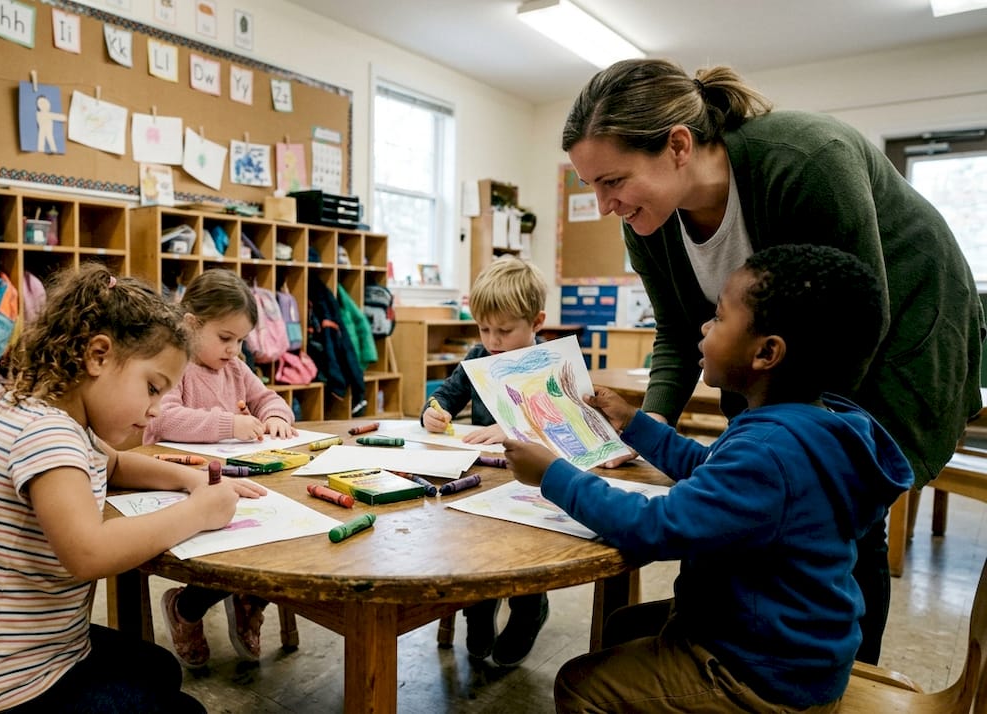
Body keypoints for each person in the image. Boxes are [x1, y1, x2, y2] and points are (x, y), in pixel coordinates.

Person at [561, 58, 983, 664]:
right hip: (796, 356)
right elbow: (679, 334)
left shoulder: (806, 161)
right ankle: (750, 658)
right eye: (590, 186)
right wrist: (645, 430)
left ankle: (836, 680)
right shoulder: (646, 221)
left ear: (678, 145)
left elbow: (849, 327)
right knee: (762, 504)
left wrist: (796, 449)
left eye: (613, 180)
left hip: (897, 335)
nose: (603, 204)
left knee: (840, 516)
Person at [507, 245, 914, 712]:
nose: (703, 327)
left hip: (763, 674)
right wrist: (634, 423)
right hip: (792, 644)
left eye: (719, 318)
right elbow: (712, 467)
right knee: (622, 627)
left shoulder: (769, 452)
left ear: (766, 353)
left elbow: (654, 527)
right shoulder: (806, 428)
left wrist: (551, 475)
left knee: (580, 685)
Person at [0, 264, 264, 713]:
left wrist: (190, 477)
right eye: (152, 388)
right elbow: (88, 553)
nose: (154, 411)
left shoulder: (46, 408)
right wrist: (198, 511)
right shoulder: (48, 434)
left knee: (160, 670)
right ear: (98, 356)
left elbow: (115, 463)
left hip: (31, 648)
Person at [142, 269, 296, 668]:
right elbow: (163, 419)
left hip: (236, 474)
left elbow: (267, 398)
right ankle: (187, 607)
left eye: (242, 340)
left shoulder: (235, 368)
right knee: (226, 548)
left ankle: (250, 597)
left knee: (278, 532)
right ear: (191, 325)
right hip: (178, 478)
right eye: (226, 338)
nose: (235, 349)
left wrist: (276, 415)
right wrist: (229, 423)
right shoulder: (173, 364)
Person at [421, 256, 551, 667]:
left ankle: (530, 610)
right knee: (476, 548)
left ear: (536, 322)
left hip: (534, 486)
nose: (492, 340)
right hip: (480, 481)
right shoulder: (478, 357)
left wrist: (514, 426)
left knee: (527, 550)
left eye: (505, 330)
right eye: (484, 328)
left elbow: (565, 423)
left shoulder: (550, 362)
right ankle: (478, 608)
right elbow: (445, 395)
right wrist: (434, 411)